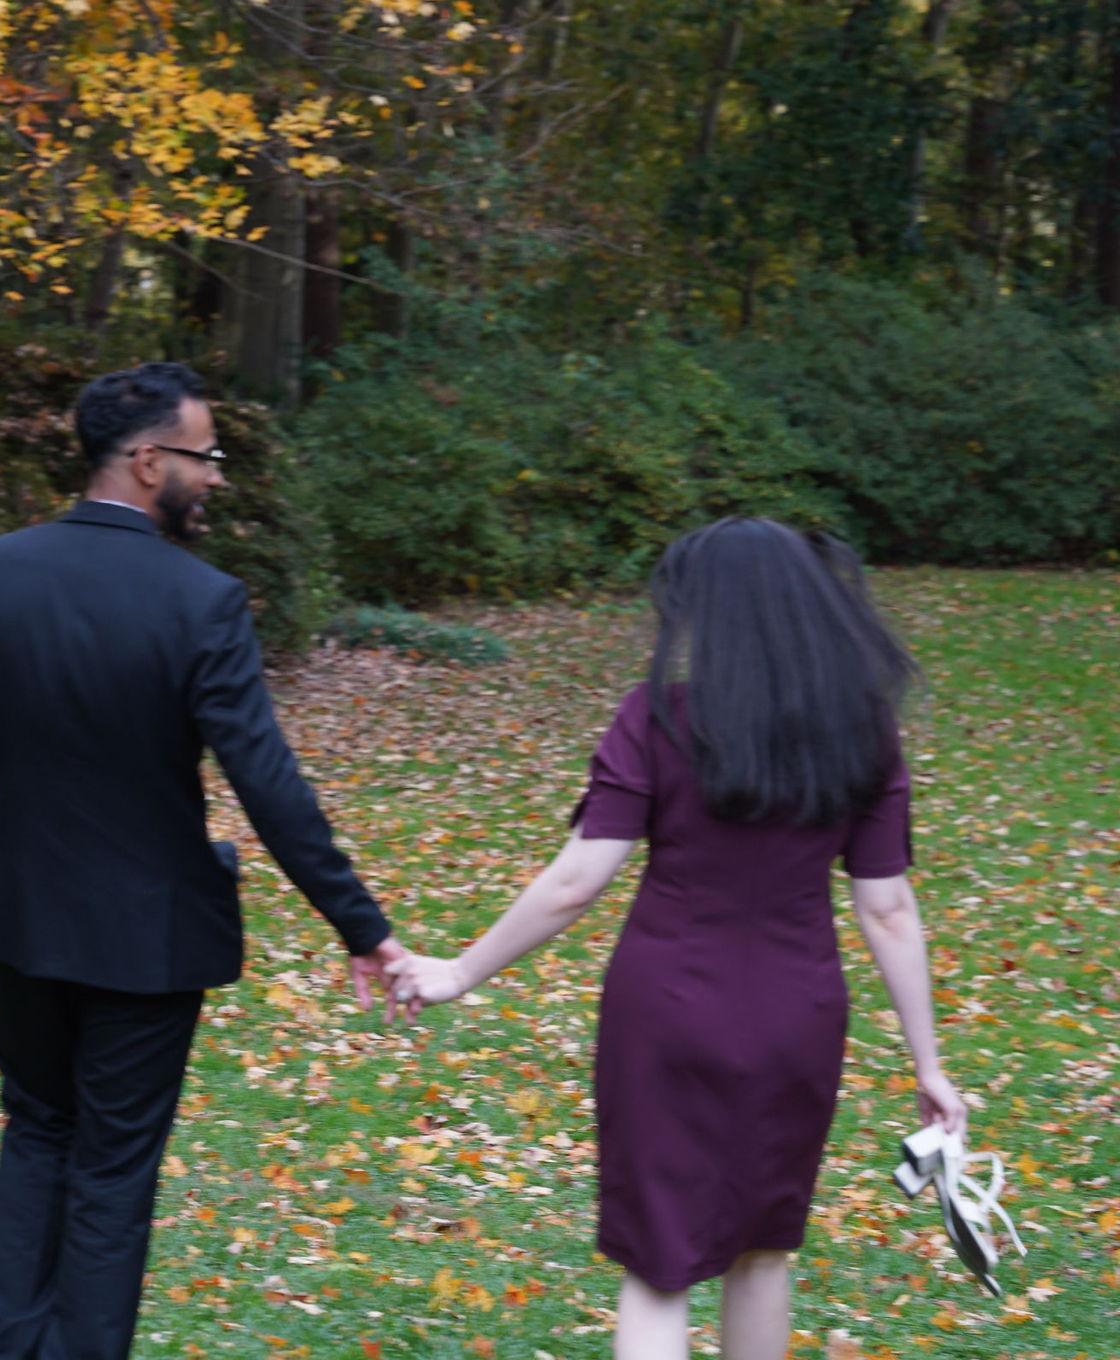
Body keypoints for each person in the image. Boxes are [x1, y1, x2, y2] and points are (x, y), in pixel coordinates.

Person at [0, 361, 405, 1360]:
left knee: (36, 1132)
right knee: (111, 1168)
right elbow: (266, 779)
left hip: (25, 917)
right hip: (149, 937)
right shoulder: (200, 599)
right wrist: (361, 926)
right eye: (203, 455)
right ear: (145, 460)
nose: (214, 475)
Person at [387, 518, 965, 1360]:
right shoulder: (860, 727)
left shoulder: (659, 716)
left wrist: (461, 972)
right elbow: (888, 909)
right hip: (798, 1014)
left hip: (665, 1009)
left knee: (659, 1267)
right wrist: (928, 1065)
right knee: (762, 1251)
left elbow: (577, 881)